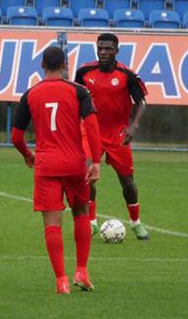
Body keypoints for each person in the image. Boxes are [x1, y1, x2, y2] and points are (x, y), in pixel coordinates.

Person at [12, 46, 102, 294]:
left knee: (52, 223)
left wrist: (27, 154)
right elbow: (92, 127)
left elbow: (16, 136)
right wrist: (95, 161)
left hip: (46, 165)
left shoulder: (30, 94)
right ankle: (81, 272)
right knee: (82, 212)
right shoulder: (79, 91)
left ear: (42, 65)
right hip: (75, 164)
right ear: (65, 65)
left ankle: (61, 281)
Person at [75, 33, 150, 240]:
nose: (103, 52)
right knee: (87, 176)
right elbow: (75, 99)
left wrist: (133, 126)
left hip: (118, 133)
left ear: (117, 51)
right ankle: (91, 223)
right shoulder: (84, 72)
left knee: (127, 183)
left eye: (108, 48)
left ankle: (136, 223)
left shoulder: (127, 75)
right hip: (91, 131)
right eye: (100, 48)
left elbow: (141, 102)